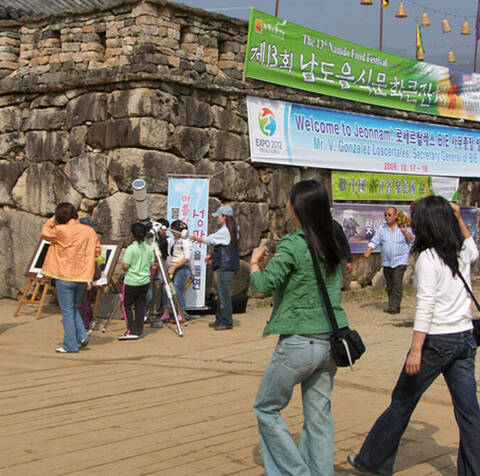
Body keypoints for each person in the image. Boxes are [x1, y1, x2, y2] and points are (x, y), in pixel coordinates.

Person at [349, 197, 480, 475]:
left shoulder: (428, 259)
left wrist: (416, 349)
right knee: (469, 413)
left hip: (437, 342)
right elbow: (473, 247)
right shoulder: (459, 251)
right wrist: (457, 216)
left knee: (402, 401)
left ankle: (372, 461)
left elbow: (425, 307)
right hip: (464, 340)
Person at [249, 180, 348, 475]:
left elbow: (262, 287)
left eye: (290, 201)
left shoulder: (293, 243)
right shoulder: (332, 242)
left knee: (266, 408)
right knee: (318, 416)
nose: (286, 206)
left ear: (298, 207)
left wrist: (255, 264)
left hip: (299, 344)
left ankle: (294, 471)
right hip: (330, 342)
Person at [40, 202, 101, 353]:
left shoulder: (60, 230)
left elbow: (44, 233)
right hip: (82, 276)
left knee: (67, 311)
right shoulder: (89, 231)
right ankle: (81, 336)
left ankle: (70, 345)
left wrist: (52, 219)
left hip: (64, 275)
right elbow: (97, 251)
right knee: (74, 308)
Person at [192, 205, 240, 330]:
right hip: (227, 266)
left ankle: (226, 322)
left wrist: (197, 238)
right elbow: (226, 247)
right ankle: (220, 319)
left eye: (218, 216)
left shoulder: (224, 231)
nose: (216, 219)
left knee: (224, 296)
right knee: (222, 295)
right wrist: (212, 255)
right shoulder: (233, 229)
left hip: (224, 267)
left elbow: (209, 240)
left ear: (224, 217)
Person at [364, 206, 414, 314]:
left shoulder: (403, 227)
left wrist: (405, 231)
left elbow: (412, 239)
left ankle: (394, 307)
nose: (387, 217)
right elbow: (375, 240)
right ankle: (392, 304)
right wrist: (369, 249)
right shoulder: (382, 229)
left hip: (400, 260)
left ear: (396, 215)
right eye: (385, 215)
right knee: (390, 284)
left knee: (397, 283)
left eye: (390, 214)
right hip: (387, 262)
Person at [119, 223, 155, 340]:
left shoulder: (131, 248)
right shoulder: (149, 249)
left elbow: (125, 265)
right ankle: (138, 329)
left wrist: (129, 268)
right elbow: (152, 264)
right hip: (144, 281)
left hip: (131, 281)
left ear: (132, 235)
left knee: (126, 305)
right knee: (140, 306)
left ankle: (131, 329)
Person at [160, 219, 192, 323]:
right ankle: (166, 313)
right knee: (166, 289)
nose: (172, 232)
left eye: (174, 231)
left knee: (177, 289)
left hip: (182, 268)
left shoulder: (186, 242)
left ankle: (180, 313)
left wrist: (175, 267)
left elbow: (187, 258)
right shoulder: (173, 240)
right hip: (172, 267)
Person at [145, 218, 169, 320]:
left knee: (154, 293)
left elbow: (163, 256)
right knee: (148, 294)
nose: (164, 231)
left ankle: (154, 312)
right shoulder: (148, 240)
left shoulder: (163, 241)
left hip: (156, 271)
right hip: (147, 272)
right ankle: (143, 313)